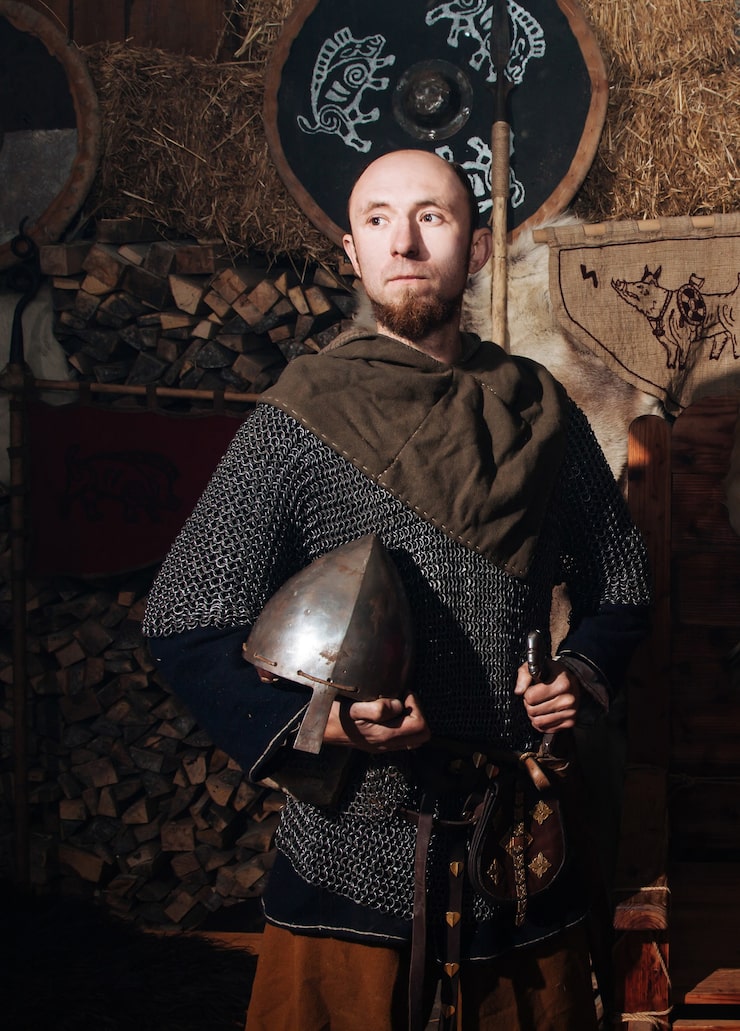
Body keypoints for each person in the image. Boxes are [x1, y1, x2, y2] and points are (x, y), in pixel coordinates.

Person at [143, 149, 651, 1031]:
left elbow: (623, 584)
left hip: (514, 843)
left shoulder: (538, 410)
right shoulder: (299, 417)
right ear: (352, 251)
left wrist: (580, 673)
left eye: (432, 217)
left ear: (478, 248)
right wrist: (326, 725)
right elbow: (185, 618)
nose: (405, 243)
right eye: (378, 220)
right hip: (354, 841)